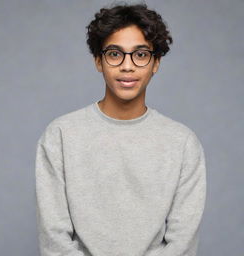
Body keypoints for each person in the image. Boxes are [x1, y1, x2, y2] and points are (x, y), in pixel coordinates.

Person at [35, 3, 207, 256]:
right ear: (98, 61)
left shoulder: (183, 143)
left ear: (155, 62)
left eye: (140, 54)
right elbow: (54, 240)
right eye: (115, 54)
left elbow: (181, 244)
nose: (127, 66)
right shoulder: (60, 136)